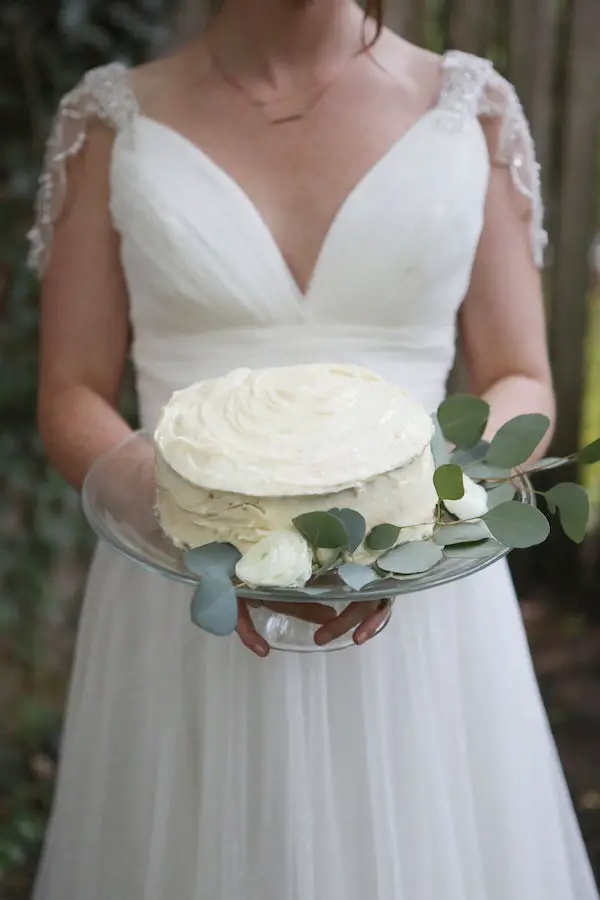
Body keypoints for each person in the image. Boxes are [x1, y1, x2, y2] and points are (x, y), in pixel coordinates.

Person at [29, 0, 599, 897]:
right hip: (181, 597)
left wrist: (419, 517)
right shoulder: (110, 120)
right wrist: (189, 518)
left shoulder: (470, 109)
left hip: (425, 609)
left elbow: (522, 376)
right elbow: (68, 389)